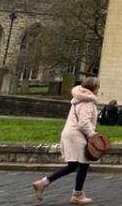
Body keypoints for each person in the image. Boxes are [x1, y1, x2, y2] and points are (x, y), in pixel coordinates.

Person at [32, 76, 100, 205]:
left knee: (73, 165)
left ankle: (43, 183)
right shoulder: (88, 101)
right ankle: (77, 195)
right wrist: (93, 135)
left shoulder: (78, 98)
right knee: (84, 163)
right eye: (98, 87)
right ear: (95, 88)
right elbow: (84, 123)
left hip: (70, 133)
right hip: (77, 135)